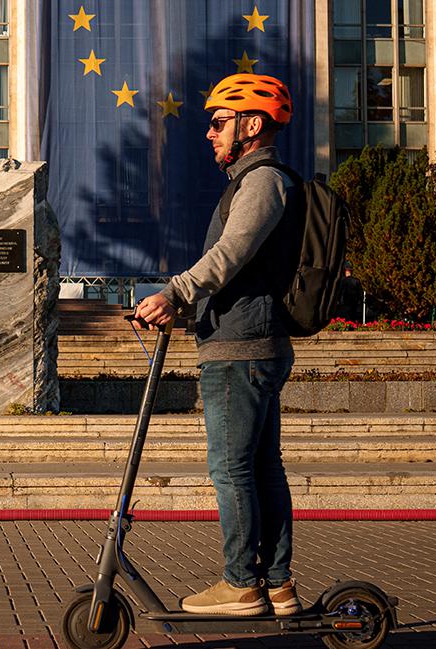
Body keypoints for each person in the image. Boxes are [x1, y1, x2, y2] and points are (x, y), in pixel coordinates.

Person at [134, 73, 302, 617]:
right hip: (250, 345)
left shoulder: (262, 182)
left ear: (252, 125)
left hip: (241, 351)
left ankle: (240, 584)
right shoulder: (254, 181)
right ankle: (276, 584)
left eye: (219, 121)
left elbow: (231, 252)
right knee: (261, 467)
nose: (209, 132)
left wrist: (175, 294)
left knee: (232, 470)